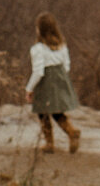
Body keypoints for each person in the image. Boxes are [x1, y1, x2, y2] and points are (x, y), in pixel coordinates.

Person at [25, 12, 82, 153]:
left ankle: (50, 143)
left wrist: (29, 88)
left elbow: (38, 71)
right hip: (61, 79)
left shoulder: (37, 49)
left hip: (46, 83)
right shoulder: (62, 45)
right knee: (57, 112)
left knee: (42, 113)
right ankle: (70, 131)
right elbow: (67, 66)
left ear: (39, 29)